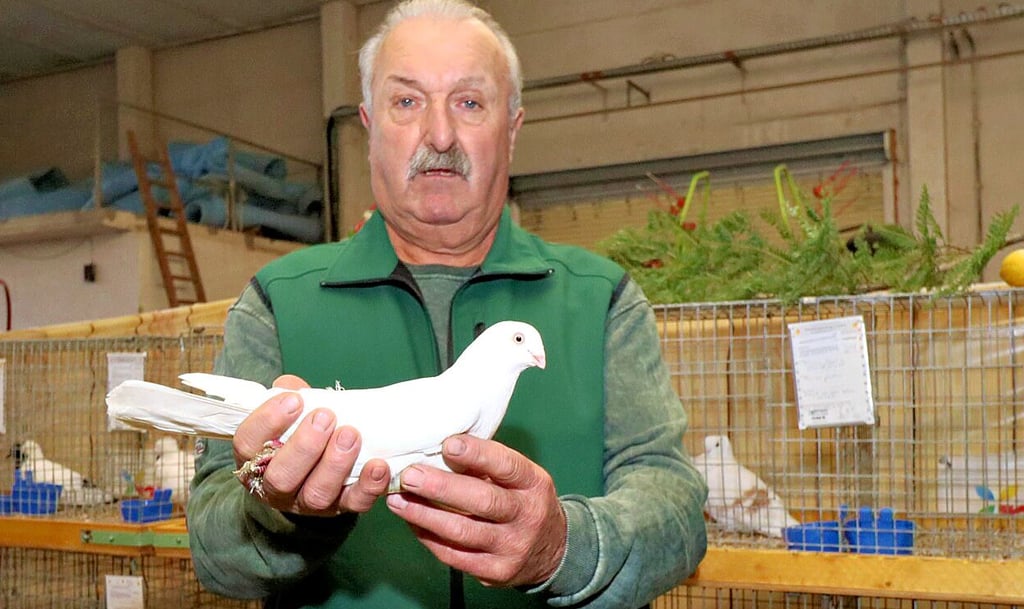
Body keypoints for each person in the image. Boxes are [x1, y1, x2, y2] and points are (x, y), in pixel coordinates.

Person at [186, 1, 708, 607]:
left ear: (511, 127)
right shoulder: (277, 301)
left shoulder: (602, 298)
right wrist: (284, 513)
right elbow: (212, 550)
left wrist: (565, 547)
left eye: (469, 102)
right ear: (368, 125)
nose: (439, 135)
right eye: (406, 102)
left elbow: (676, 512)